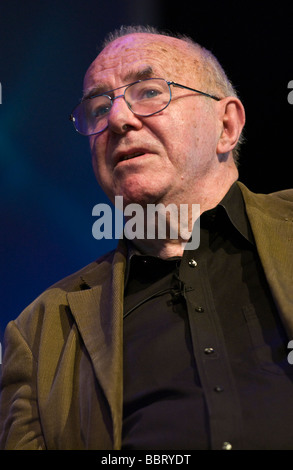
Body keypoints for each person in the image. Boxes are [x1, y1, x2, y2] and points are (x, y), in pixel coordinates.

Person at [0, 24, 293, 451]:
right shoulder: (41, 332)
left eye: (151, 91)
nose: (117, 119)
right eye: (98, 108)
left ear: (226, 125)